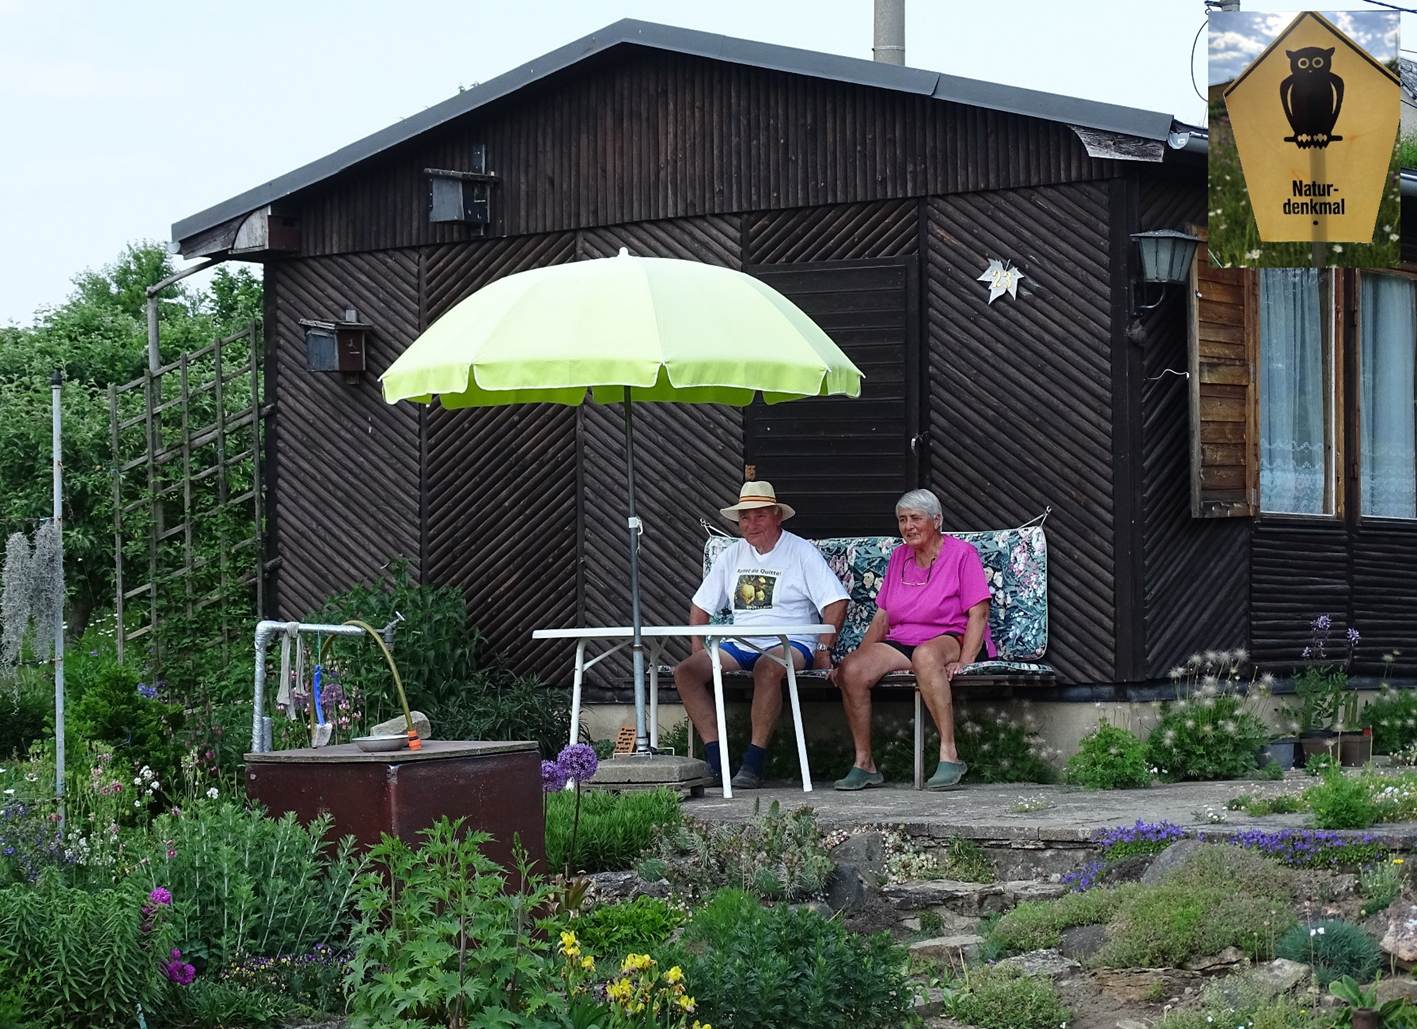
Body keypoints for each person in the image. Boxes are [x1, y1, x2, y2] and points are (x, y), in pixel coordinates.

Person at [674, 480, 848, 789]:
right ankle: (717, 763)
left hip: (791, 641)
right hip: (741, 641)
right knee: (686, 672)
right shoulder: (732, 555)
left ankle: (753, 762)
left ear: (777, 516)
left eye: (760, 516)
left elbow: (835, 601)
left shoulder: (800, 551)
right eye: (744, 517)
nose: (751, 524)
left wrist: (823, 649)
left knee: (768, 667)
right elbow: (700, 606)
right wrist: (697, 648)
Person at [830, 488, 995, 791]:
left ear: (936, 520)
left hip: (950, 635)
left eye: (916, 518)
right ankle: (864, 763)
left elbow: (979, 613)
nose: (908, 526)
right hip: (905, 639)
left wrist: (965, 662)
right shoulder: (898, 557)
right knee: (852, 669)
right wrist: (861, 658)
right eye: (902, 520)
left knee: (925, 656)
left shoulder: (961, 554)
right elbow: (883, 617)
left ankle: (949, 754)